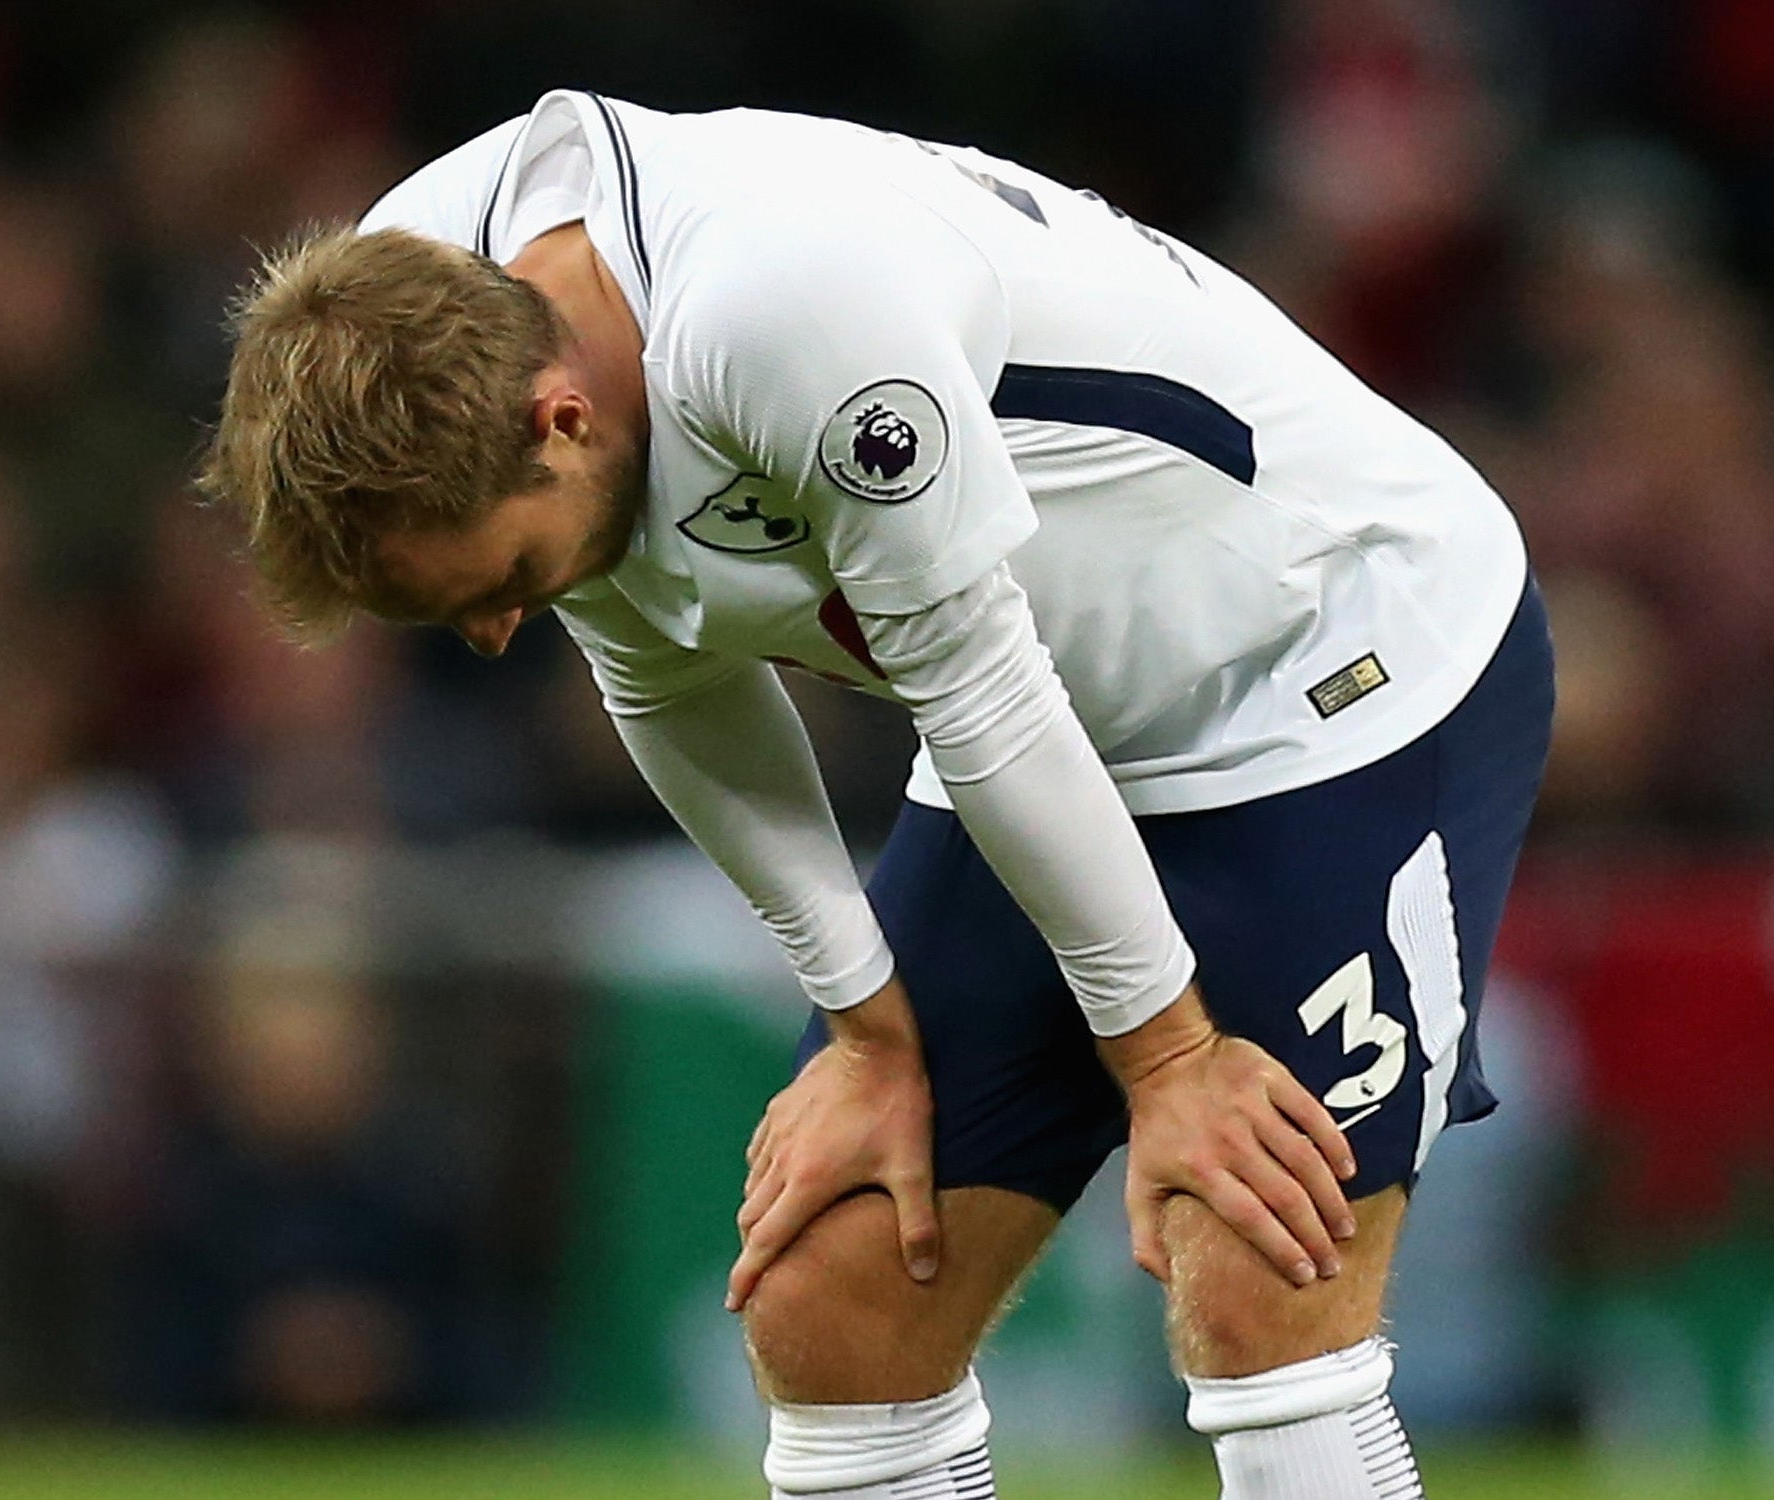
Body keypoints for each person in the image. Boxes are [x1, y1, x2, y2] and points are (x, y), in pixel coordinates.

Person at [199, 91, 1553, 1500]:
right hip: (1051, 724)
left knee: (1260, 1272)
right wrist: (865, 1029)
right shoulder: (412, 311)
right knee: (834, 1303)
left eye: (501, 585)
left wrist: (1168, 1061)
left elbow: (980, 691)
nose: (493, 635)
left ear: (562, 416)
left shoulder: (781, 312)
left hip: (1327, 666)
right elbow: (666, 679)